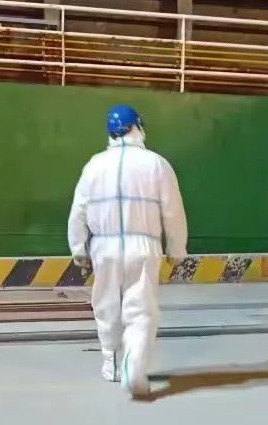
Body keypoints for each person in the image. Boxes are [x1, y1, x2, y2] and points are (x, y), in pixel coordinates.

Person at [68, 104, 188, 398]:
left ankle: (111, 364)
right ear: (138, 127)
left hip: (104, 247)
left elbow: (79, 210)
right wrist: (177, 248)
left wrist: (78, 247)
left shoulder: (94, 165)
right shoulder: (156, 164)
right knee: (141, 308)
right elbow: (173, 211)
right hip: (143, 246)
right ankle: (134, 363)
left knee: (106, 304)